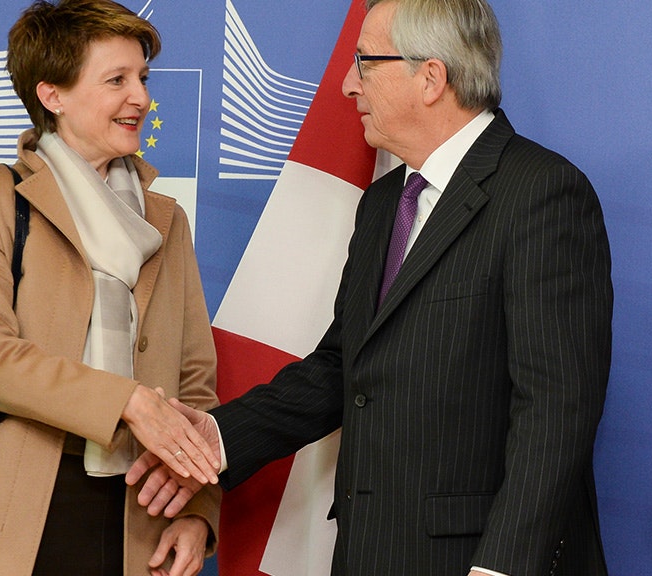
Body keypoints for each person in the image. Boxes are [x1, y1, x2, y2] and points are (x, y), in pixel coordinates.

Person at [131, 0, 612, 574]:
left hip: (480, 559)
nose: (345, 84)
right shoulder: (386, 203)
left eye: (364, 63)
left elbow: (557, 410)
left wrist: (501, 567)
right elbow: (344, 367)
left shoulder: (542, 192)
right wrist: (216, 437)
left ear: (431, 77)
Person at [0, 1, 221, 575]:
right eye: (117, 80)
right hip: (11, 514)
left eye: (143, 78)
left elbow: (195, 381)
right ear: (52, 95)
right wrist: (127, 402)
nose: (141, 98)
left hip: (139, 520)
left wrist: (198, 508)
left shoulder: (166, 219)